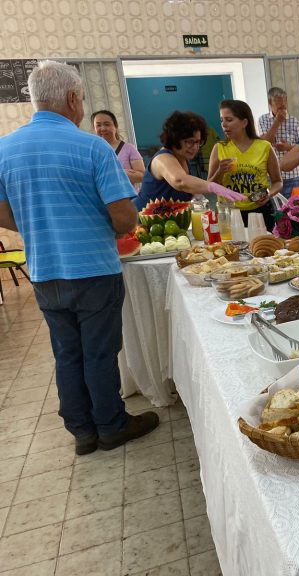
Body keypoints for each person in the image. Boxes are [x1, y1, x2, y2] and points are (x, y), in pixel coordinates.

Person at [0, 61, 160, 455]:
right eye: (83, 99)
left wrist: (39, 226)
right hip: (92, 269)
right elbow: (124, 218)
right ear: (73, 98)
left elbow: (2, 211)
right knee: (100, 352)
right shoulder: (93, 147)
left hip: (44, 270)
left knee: (67, 351)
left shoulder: (4, 148)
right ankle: (110, 425)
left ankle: (82, 432)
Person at [134, 111, 245, 211]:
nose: (195, 147)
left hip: (168, 225)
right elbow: (180, 181)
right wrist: (213, 187)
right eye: (190, 142)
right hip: (142, 224)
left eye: (198, 142)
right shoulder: (162, 159)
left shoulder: (183, 159)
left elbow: (191, 189)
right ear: (175, 139)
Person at [208, 99, 283, 229]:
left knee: (261, 247)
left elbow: (278, 182)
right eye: (222, 120)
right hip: (230, 212)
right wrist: (220, 171)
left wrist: (269, 194)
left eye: (229, 120)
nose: (224, 125)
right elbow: (209, 185)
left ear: (244, 122)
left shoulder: (264, 147)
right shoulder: (219, 148)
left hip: (260, 211)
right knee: (232, 248)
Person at [257, 87, 299, 199]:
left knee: (293, 212)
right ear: (270, 102)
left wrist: (288, 147)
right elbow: (265, 142)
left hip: (293, 177)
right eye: (280, 107)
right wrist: (277, 121)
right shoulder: (262, 120)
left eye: (285, 104)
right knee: (274, 212)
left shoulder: (295, 122)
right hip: (271, 177)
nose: (283, 109)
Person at [92, 109, 145, 192]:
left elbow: (142, 176)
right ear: (94, 128)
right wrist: (125, 173)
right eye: (98, 125)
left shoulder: (129, 148)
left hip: (128, 200)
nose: (103, 128)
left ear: (115, 126)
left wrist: (116, 172)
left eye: (107, 124)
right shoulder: (92, 151)